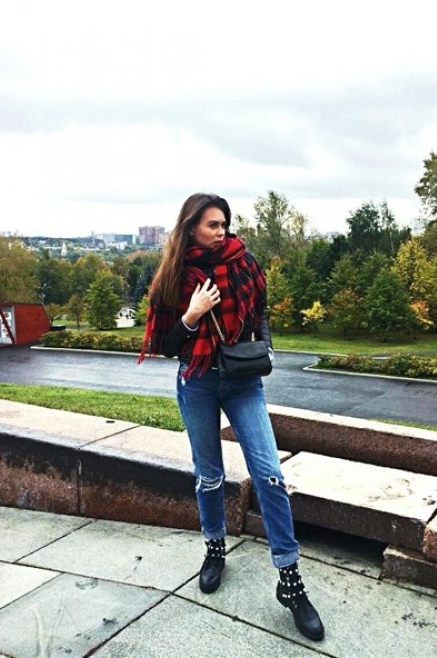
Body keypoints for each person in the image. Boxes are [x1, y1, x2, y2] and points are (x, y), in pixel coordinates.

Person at [139, 193, 324, 642]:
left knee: (270, 475)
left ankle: (290, 580)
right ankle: (215, 548)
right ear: (191, 228)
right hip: (197, 381)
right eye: (213, 225)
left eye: (224, 224)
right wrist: (192, 314)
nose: (222, 232)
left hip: (243, 381)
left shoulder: (243, 261)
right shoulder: (172, 276)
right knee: (209, 476)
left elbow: (259, 310)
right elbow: (166, 344)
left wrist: (265, 346)